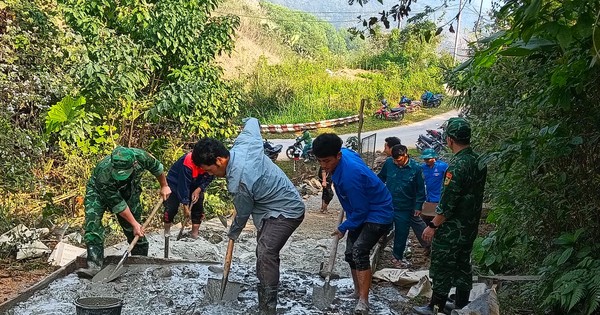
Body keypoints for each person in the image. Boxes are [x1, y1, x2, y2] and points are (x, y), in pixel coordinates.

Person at [193, 118, 305, 315]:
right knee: (263, 250)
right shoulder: (244, 143)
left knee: (265, 252)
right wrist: (248, 119)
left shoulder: (239, 182)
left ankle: (267, 308)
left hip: (286, 211)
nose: (210, 174)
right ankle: (265, 288)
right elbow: (253, 123)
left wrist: (233, 232)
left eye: (210, 170)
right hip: (268, 208)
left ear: (219, 160)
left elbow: (243, 214)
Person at [312, 133, 394, 315]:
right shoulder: (346, 153)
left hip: (378, 212)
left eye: (326, 161)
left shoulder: (350, 177)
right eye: (320, 161)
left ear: (338, 156)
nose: (323, 166)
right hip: (360, 208)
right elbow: (357, 209)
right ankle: (357, 292)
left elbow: (361, 211)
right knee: (350, 254)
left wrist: (342, 227)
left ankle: (364, 301)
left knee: (359, 251)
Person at [414, 118, 487, 315]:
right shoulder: (478, 161)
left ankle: (434, 307)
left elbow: (448, 204)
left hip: (452, 228)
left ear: (450, 140)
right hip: (469, 226)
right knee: (463, 264)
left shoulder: (456, 167)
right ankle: (461, 305)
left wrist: (433, 226)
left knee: (442, 266)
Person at [76, 146, 171, 278]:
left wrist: (164, 186)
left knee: (134, 229)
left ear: (134, 164)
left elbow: (157, 169)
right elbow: (118, 204)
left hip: (129, 189)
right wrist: (134, 224)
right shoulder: (104, 172)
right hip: (98, 191)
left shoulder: (142, 157)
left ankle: (140, 261)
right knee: (93, 222)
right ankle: (94, 265)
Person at [377, 144, 427, 268]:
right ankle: (379, 243)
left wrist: (418, 206)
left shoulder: (416, 168)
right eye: (394, 160)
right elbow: (380, 179)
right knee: (381, 225)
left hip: (405, 206)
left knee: (402, 232)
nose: (396, 163)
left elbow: (421, 190)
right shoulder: (389, 164)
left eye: (398, 160)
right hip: (388, 204)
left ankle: (397, 257)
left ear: (405, 155)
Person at [163, 148, 214, 239]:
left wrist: (199, 189)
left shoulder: (211, 163)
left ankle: (194, 234)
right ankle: (166, 232)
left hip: (196, 183)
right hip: (175, 183)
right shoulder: (188, 163)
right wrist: (185, 206)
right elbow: (183, 186)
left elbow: (209, 178)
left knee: (197, 206)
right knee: (171, 208)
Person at [420, 148, 449, 226]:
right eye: (425, 159)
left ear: (434, 157)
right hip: (429, 198)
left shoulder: (442, 166)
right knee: (427, 220)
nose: (426, 160)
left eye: (428, 159)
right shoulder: (423, 168)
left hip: (439, 197)